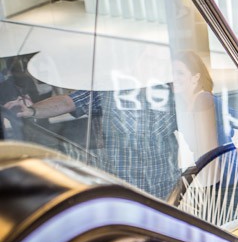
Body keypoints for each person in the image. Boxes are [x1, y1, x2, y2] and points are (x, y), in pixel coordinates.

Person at [4, 81, 180, 199]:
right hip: (123, 189)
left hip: (165, 189)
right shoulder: (108, 88)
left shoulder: (172, 93)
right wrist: (31, 110)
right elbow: (68, 102)